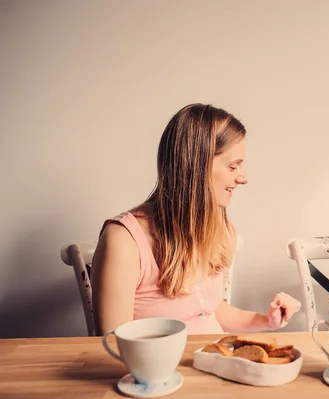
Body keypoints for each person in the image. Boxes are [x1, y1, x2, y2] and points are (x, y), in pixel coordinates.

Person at [91, 103, 300, 336]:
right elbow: (113, 343)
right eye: (233, 166)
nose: (244, 177)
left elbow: (210, 312)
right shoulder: (123, 240)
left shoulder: (220, 230)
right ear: (196, 167)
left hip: (214, 361)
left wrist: (267, 320)